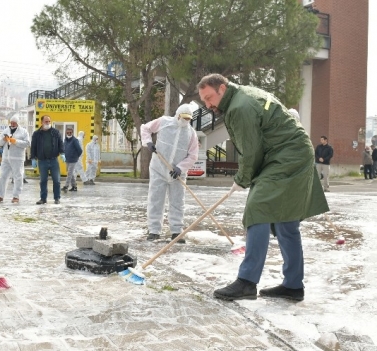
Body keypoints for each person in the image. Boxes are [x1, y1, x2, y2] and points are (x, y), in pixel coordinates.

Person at [197, 73, 329, 301]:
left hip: (287, 156)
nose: (208, 105)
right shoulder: (242, 97)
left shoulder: (239, 107)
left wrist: (242, 178)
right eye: (204, 102)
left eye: (210, 98)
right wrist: (245, 177)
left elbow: (252, 150)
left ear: (222, 88)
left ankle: (247, 282)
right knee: (286, 222)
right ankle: (293, 286)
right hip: (293, 153)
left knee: (257, 210)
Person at [140, 104, 199, 243]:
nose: (185, 121)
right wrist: (148, 142)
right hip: (158, 169)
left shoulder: (191, 133)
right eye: (183, 118)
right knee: (155, 200)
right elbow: (145, 128)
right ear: (178, 115)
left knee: (177, 202)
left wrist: (180, 167)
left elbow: (193, 155)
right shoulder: (164, 122)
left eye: (188, 119)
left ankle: (176, 231)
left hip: (177, 174)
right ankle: (154, 230)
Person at [0, 114, 30, 203]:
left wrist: (15, 141)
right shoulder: (6, 130)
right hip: (6, 157)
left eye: (14, 123)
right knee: (2, 176)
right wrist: (4, 139)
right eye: (11, 122)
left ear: (17, 123)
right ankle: (0, 195)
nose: (12, 124)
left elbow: (27, 143)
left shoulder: (23, 132)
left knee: (18, 177)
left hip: (17, 158)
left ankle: (16, 196)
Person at [30, 115, 64, 204]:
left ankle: (57, 198)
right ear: (41, 122)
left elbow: (61, 143)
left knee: (56, 180)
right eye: (46, 121)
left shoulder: (55, 132)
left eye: (49, 121)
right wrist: (33, 158)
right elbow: (33, 147)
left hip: (53, 160)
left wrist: (62, 153)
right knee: (43, 181)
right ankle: (43, 199)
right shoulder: (36, 134)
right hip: (42, 160)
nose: (48, 123)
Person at [62, 128, 83, 192]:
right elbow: (63, 148)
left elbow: (80, 150)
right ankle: (74, 186)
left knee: (69, 173)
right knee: (71, 173)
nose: (69, 134)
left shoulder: (74, 140)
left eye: (70, 133)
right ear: (66, 133)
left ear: (72, 133)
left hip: (73, 159)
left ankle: (66, 186)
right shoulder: (65, 140)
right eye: (67, 133)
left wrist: (76, 156)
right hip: (67, 159)